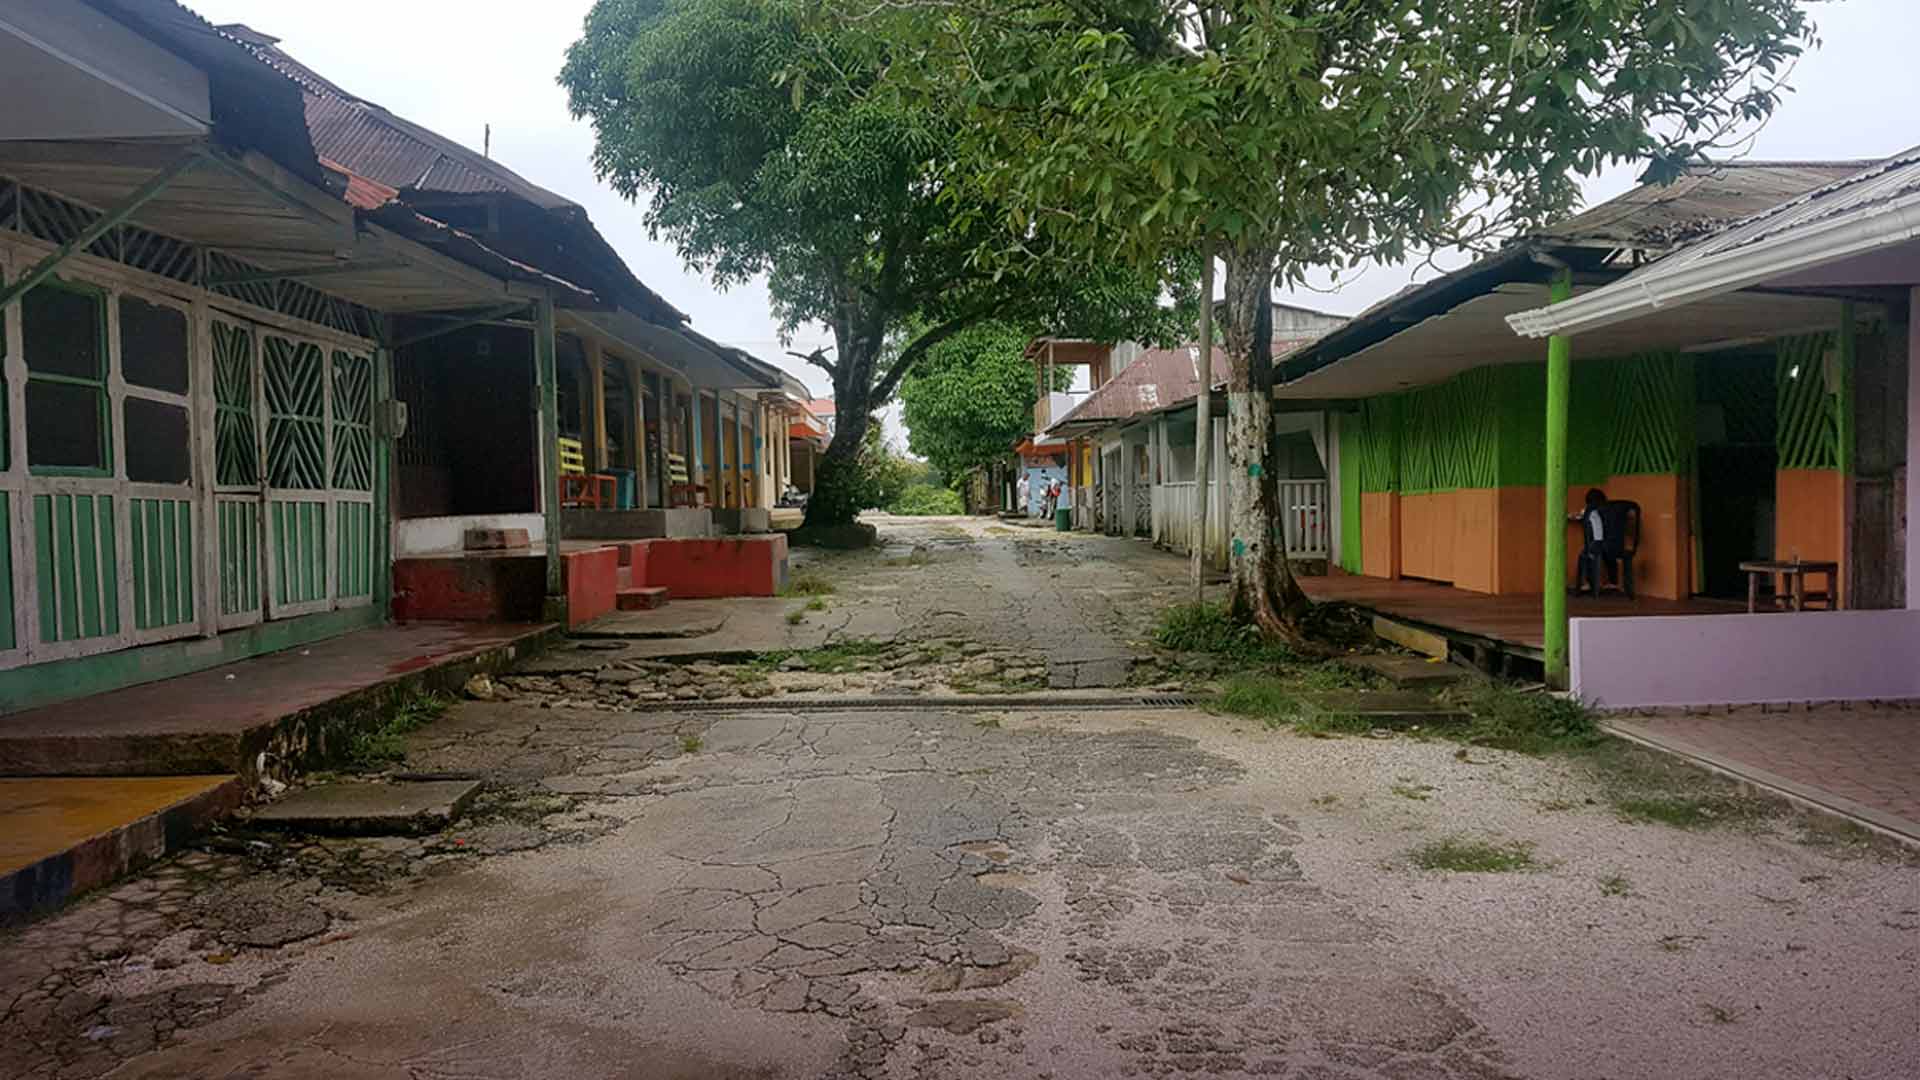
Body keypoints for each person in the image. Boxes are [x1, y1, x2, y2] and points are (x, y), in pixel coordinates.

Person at [1572, 487, 1615, 595]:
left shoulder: (1588, 510)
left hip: (1596, 543)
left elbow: (1579, 517)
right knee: (1606, 556)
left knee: (1584, 555)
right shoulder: (1610, 510)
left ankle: (1586, 583)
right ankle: (1612, 582)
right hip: (1611, 544)